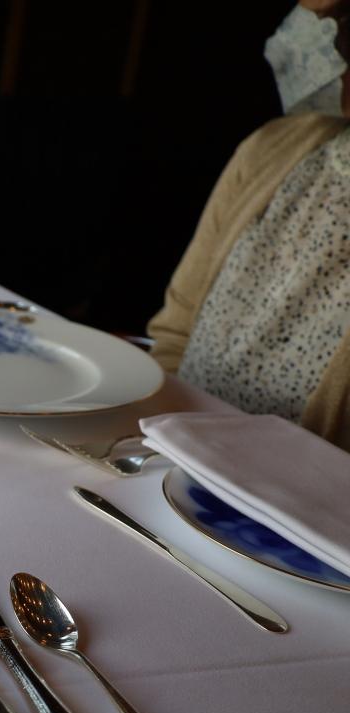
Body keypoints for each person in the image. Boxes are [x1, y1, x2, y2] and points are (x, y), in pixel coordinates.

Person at [147, 0, 350, 449]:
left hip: (305, 490)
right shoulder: (269, 150)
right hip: (167, 453)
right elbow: (174, 334)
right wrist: (155, 440)